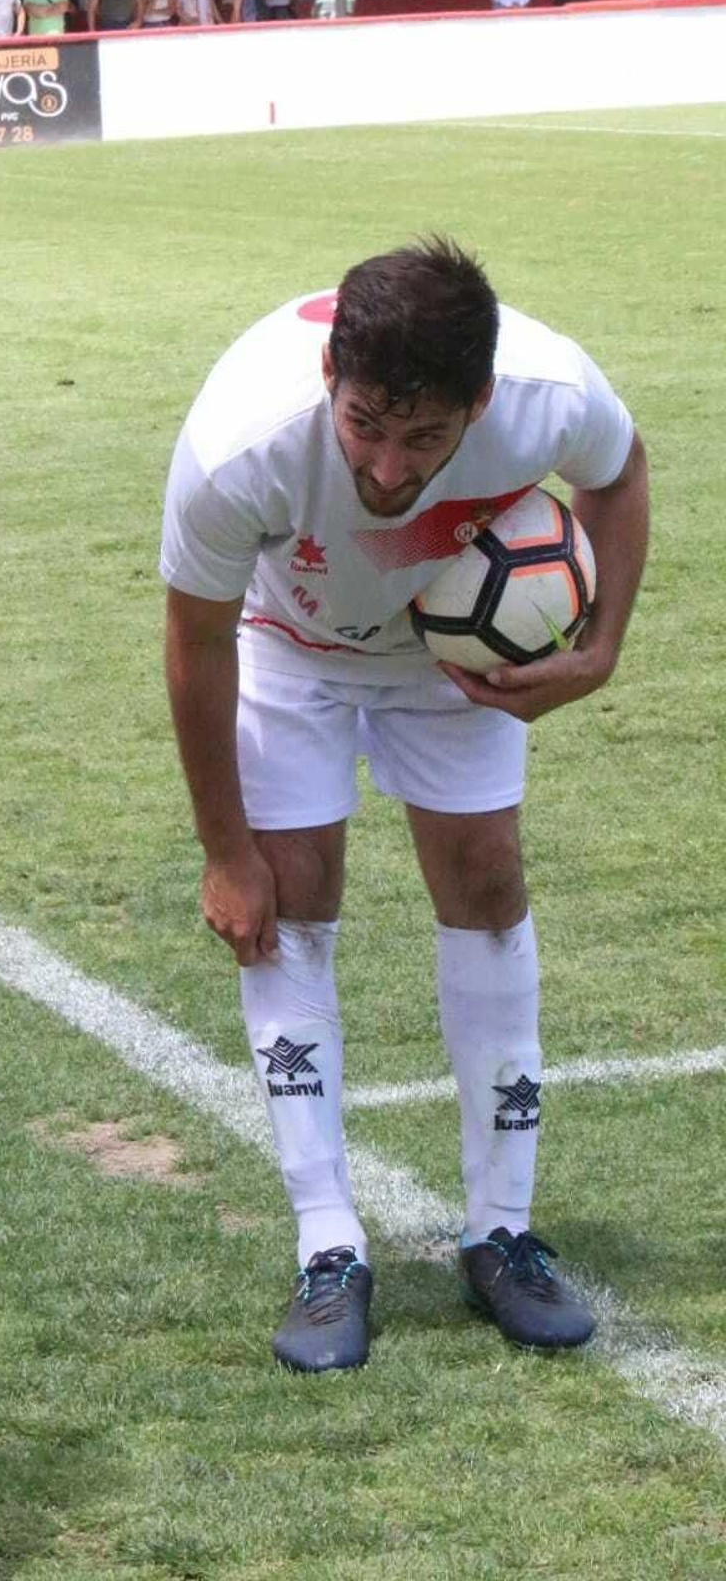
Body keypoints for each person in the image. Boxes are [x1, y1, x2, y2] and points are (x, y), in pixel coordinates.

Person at [161, 239, 647, 1374]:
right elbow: (192, 646)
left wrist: (602, 648)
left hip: (453, 660)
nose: (385, 466)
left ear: (479, 402)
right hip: (288, 647)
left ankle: (504, 1232)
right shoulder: (241, 441)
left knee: (484, 884)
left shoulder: (545, 394)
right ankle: (328, 1248)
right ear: (331, 374)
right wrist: (223, 850)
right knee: (293, 899)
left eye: (424, 437)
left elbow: (620, 475)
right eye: (364, 423)